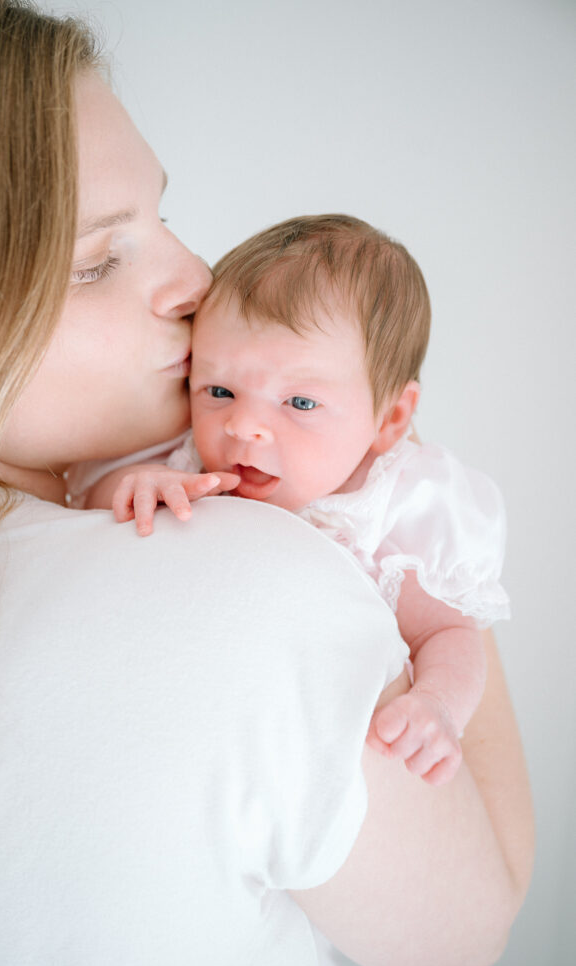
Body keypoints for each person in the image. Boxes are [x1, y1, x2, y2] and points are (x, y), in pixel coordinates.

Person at [0, 2, 533, 966]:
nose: (195, 281)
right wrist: (397, 498)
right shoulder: (246, 578)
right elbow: (475, 915)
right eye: (99, 261)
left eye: (163, 218)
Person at [71, 214, 510, 786]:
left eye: (300, 403)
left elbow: (448, 635)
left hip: (323, 769)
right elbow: (96, 495)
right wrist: (133, 486)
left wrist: (438, 706)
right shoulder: (184, 461)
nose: (244, 425)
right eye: (220, 391)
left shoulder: (390, 505)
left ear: (392, 417)